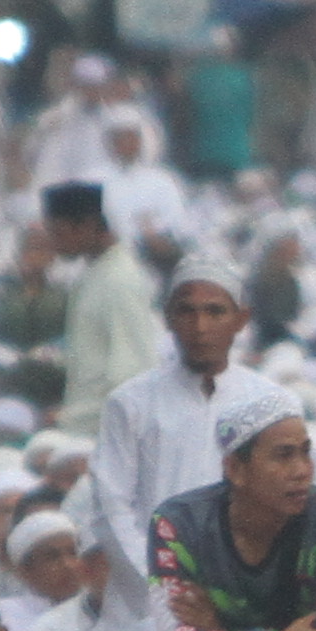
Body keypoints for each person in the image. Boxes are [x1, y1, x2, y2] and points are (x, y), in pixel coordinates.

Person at [146, 380, 316, 631]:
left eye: (305, 453)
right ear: (235, 469)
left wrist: (219, 630)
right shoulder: (179, 523)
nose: (302, 470)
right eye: (283, 456)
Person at [82, 256, 252, 598]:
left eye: (215, 312)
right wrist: (159, 582)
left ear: (240, 320)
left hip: (240, 593)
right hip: (144, 597)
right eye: (186, 312)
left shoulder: (269, 401)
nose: (200, 326)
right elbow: (111, 507)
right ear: (168, 318)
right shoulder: (131, 402)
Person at [40, 185, 159, 431]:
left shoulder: (120, 279)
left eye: (58, 233)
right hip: (79, 422)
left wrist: (75, 418)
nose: (53, 243)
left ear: (87, 226)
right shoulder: (91, 275)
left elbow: (132, 371)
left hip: (103, 432)